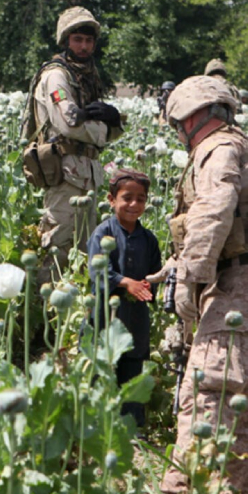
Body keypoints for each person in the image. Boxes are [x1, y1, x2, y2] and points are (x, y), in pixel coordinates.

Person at [149, 75, 248, 494]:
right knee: (231, 407)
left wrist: (189, 277)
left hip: (236, 290)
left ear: (193, 116)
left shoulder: (219, 149)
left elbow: (214, 211)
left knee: (206, 399)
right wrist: (174, 266)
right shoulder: (243, 148)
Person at [23, 6, 124, 284]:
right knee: (58, 251)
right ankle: (41, 319)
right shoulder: (57, 76)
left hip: (87, 175)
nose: (84, 46)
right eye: (78, 39)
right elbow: (68, 123)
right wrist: (106, 129)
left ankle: (76, 319)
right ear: (66, 40)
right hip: (64, 174)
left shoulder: (89, 76)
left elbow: (100, 130)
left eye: (89, 40)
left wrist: (113, 120)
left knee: (85, 254)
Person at [87, 169, 162, 428]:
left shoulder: (149, 239)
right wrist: (123, 282)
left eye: (140, 199)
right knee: (102, 365)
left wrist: (151, 284)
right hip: (104, 314)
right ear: (111, 199)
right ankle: (96, 424)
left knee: (133, 367)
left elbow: (154, 273)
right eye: (127, 198)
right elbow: (97, 270)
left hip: (136, 316)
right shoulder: (102, 233)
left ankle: (132, 428)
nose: (134, 205)